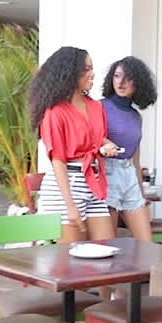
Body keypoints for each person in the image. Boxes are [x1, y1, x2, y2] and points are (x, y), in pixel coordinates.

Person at [30, 48, 119, 243]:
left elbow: (96, 137)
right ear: (70, 73)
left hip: (93, 183)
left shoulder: (96, 106)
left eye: (92, 68)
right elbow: (58, 160)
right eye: (86, 69)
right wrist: (70, 205)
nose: (92, 73)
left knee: (107, 253)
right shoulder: (55, 111)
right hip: (65, 188)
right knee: (70, 263)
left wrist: (107, 144)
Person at [100, 56, 157, 241]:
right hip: (106, 173)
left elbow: (136, 160)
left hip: (129, 177)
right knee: (109, 244)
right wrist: (104, 142)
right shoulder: (99, 107)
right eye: (117, 76)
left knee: (146, 244)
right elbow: (88, 138)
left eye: (128, 78)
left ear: (138, 83)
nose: (121, 82)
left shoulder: (136, 116)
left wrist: (141, 193)